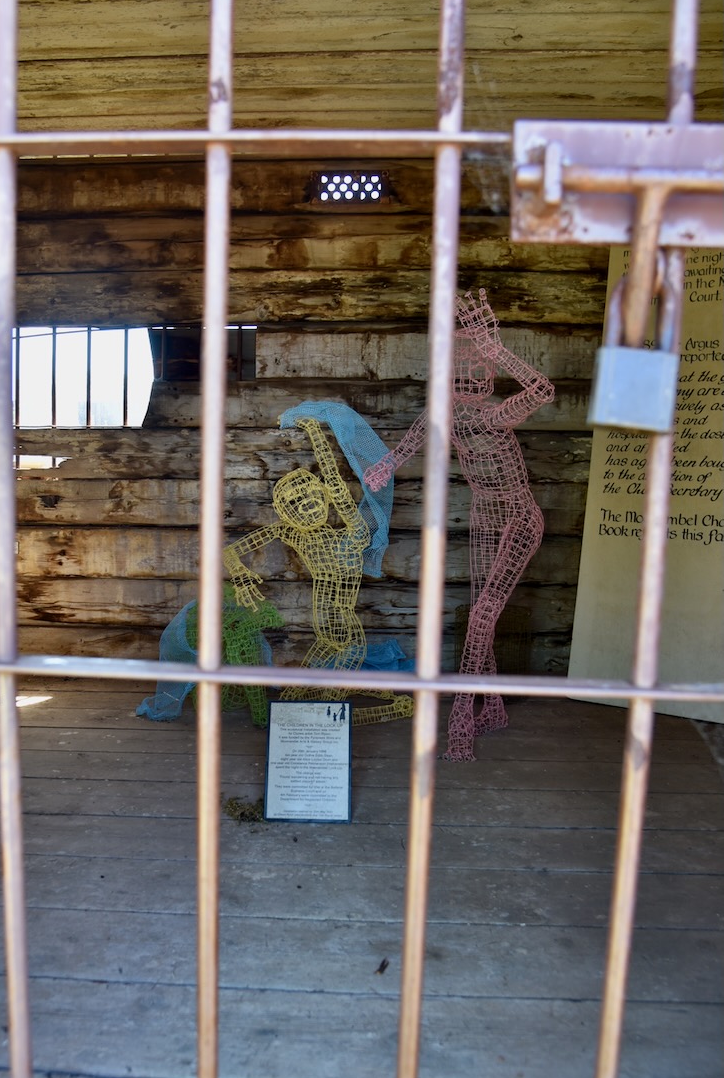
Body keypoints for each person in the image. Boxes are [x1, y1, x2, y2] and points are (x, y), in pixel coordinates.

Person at [364, 288, 554, 760]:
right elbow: (410, 443)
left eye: (480, 365)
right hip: (484, 515)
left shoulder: (495, 415)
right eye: (461, 365)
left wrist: (499, 349)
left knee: (484, 616)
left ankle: (462, 721)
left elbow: (542, 390)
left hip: (518, 515)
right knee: (481, 618)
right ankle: (494, 709)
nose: (472, 373)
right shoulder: (444, 413)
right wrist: (384, 466)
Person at [224, 415, 412, 725]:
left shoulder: (354, 535)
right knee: (300, 698)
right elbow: (230, 551)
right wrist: (241, 576)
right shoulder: (296, 535)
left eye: (312, 494)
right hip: (331, 636)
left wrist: (315, 431)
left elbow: (334, 480)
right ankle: (377, 706)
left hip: (343, 637)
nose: (307, 503)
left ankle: (385, 708)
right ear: (284, 512)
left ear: (324, 496)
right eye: (295, 502)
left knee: (322, 703)